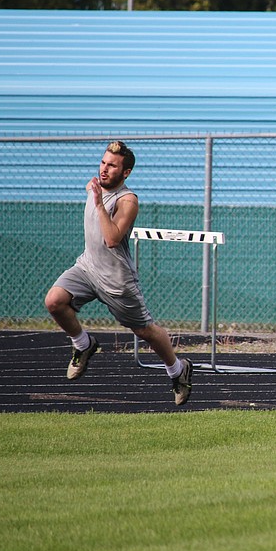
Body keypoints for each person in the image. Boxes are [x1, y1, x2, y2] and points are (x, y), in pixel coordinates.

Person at [45, 140, 193, 406]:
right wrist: (96, 196)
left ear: (125, 173)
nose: (104, 169)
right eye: (103, 163)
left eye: (112, 166)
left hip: (117, 280)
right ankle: (83, 344)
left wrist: (100, 204)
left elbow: (112, 239)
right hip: (87, 268)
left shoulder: (128, 200)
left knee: (145, 331)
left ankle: (177, 370)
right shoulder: (94, 188)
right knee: (54, 301)